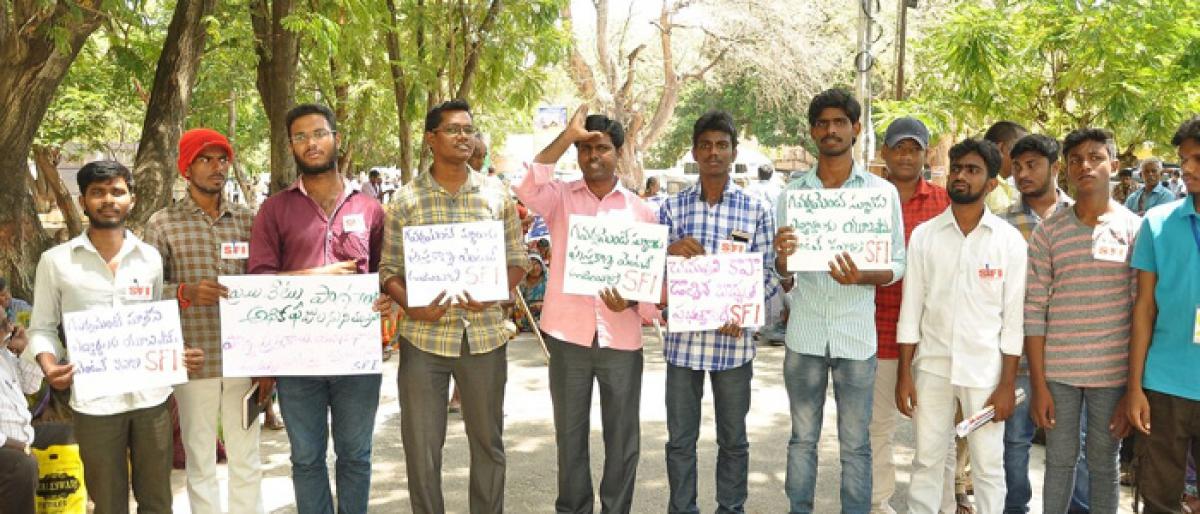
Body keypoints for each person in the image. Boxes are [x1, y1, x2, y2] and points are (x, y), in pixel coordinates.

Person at [26, 160, 204, 512]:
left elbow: (152, 325)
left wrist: (175, 354)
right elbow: (42, 327)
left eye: (117, 191)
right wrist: (48, 364)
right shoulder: (56, 261)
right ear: (82, 201)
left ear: (131, 199)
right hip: (94, 402)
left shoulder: (149, 259)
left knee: (157, 500)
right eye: (98, 192)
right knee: (107, 501)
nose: (108, 199)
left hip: (151, 399)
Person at [379, 99, 528, 514]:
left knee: (489, 445)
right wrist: (412, 305)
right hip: (424, 338)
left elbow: (517, 260)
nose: (465, 137)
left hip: (483, 336)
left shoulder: (496, 194)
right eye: (453, 130)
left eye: (469, 129)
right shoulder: (405, 200)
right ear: (431, 139)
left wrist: (496, 292)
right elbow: (388, 268)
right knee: (422, 450)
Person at [516, 104, 658, 514]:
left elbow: (649, 283)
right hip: (568, 337)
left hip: (621, 337)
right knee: (570, 435)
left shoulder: (641, 210)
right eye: (585, 149)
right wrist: (566, 136)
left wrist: (633, 301)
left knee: (622, 437)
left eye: (603, 149)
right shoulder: (559, 199)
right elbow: (527, 186)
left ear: (619, 153)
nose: (593, 156)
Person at [247, 103, 386, 514]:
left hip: (356, 359)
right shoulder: (274, 209)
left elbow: (383, 273)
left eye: (319, 133)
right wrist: (315, 277)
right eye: (301, 136)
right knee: (306, 459)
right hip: (297, 359)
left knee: (356, 457)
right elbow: (259, 280)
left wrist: (386, 296)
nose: (311, 143)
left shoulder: (370, 208)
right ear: (291, 145)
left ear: (336, 140)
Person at [773, 89, 905, 514]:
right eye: (822, 123)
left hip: (856, 338)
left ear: (855, 129)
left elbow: (897, 265)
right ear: (813, 131)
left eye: (839, 122)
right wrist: (781, 258)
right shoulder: (793, 194)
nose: (831, 130)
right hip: (805, 335)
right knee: (802, 440)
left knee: (856, 444)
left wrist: (864, 275)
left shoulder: (880, 194)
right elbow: (783, 274)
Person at [895, 138, 1026, 514]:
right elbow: (911, 312)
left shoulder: (1008, 242)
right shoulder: (924, 236)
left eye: (972, 170)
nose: (961, 176)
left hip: (985, 373)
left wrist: (1006, 385)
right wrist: (905, 374)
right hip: (932, 368)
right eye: (956, 169)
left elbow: (1014, 321)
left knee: (987, 466)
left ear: (990, 184)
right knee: (927, 460)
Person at [659, 110, 777, 513]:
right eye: (706, 145)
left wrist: (743, 312)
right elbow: (650, 270)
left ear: (733, 152)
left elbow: (769, 272)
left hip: (732, 345)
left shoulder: (755, 209)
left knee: (733, 441)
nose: (713, 153)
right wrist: (668, 252)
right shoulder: (672, 209)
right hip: (683, 346)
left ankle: (731, 509)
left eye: (721, 145)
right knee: (680, 442)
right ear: (694, 152)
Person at [144, 128, 265, 514]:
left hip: (245, 360)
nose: (217, 168)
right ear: (186, 168)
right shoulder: (162, 223)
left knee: (246, 455)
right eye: (205, 159)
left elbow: (267, 283)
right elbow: (143, 292)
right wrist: (185, 292)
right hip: (193, 357)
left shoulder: (248, 220)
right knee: (200, 457)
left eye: (222, 159)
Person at [1024, 128, 1137, 514]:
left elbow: (1142, 312)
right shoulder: (1049, 232)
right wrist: (1038, 385)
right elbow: (1034, 310)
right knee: (1059, 460)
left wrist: (1132, 387)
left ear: (1114, 166)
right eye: (1076, 160)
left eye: (1095, 157)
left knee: (1104, 462)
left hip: (1113, 374)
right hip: (1059, 373)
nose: (1085, 165)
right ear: (1066, 170)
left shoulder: (1135, 230)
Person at [870, 116, 950, 514]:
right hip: (878, 330)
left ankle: (943, 503)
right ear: (884, 152)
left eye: (914, 148)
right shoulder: (868, 200)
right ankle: (878, 502)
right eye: (898, 147)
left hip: (932, 337)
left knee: (936, 433)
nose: (905, 155)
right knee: (878, 428)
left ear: (925, 154)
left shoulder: (944, 202)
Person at [996, 133, 1078, 514]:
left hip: (1069, 357)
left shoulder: (1080, 216)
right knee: (1014, 442)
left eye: (1033, 165)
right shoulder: (1000, 225)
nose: (1023, 174)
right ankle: (1016, 508)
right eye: (1017, 167)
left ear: (1055, 167)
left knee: (1071, 444)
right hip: (1018, 357)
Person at [1124, 115, 1200, 513]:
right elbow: (1144, 308)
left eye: (1198, 159)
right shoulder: (1156, 223)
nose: (1186, 168)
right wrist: (1135, 387)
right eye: (1184, 159)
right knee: (1159, 501)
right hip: (1165, 386)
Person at [0, 316, 40, 514]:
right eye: (3, 324)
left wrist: (26, 349)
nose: (10, 327)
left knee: (66, 435)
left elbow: (31, 386)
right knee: (22, 465)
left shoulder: (4, 356)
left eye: (7, 321)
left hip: (19, 442)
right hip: (7, 447)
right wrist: (18, 447)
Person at [984, 121, 1029, 214]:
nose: (1027, 155)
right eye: (1022, 148)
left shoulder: (1000, 186)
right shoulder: (989, 188)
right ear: (1001, 148)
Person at [514, 254, 547, 332]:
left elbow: (554, 301)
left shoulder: (548, 281)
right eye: (531, 264)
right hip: (527, 315)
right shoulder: (521, 282)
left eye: (537, 264)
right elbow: (517, 301)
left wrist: (543, 305)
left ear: (542, 266)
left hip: (544, 314)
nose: (534, 268)